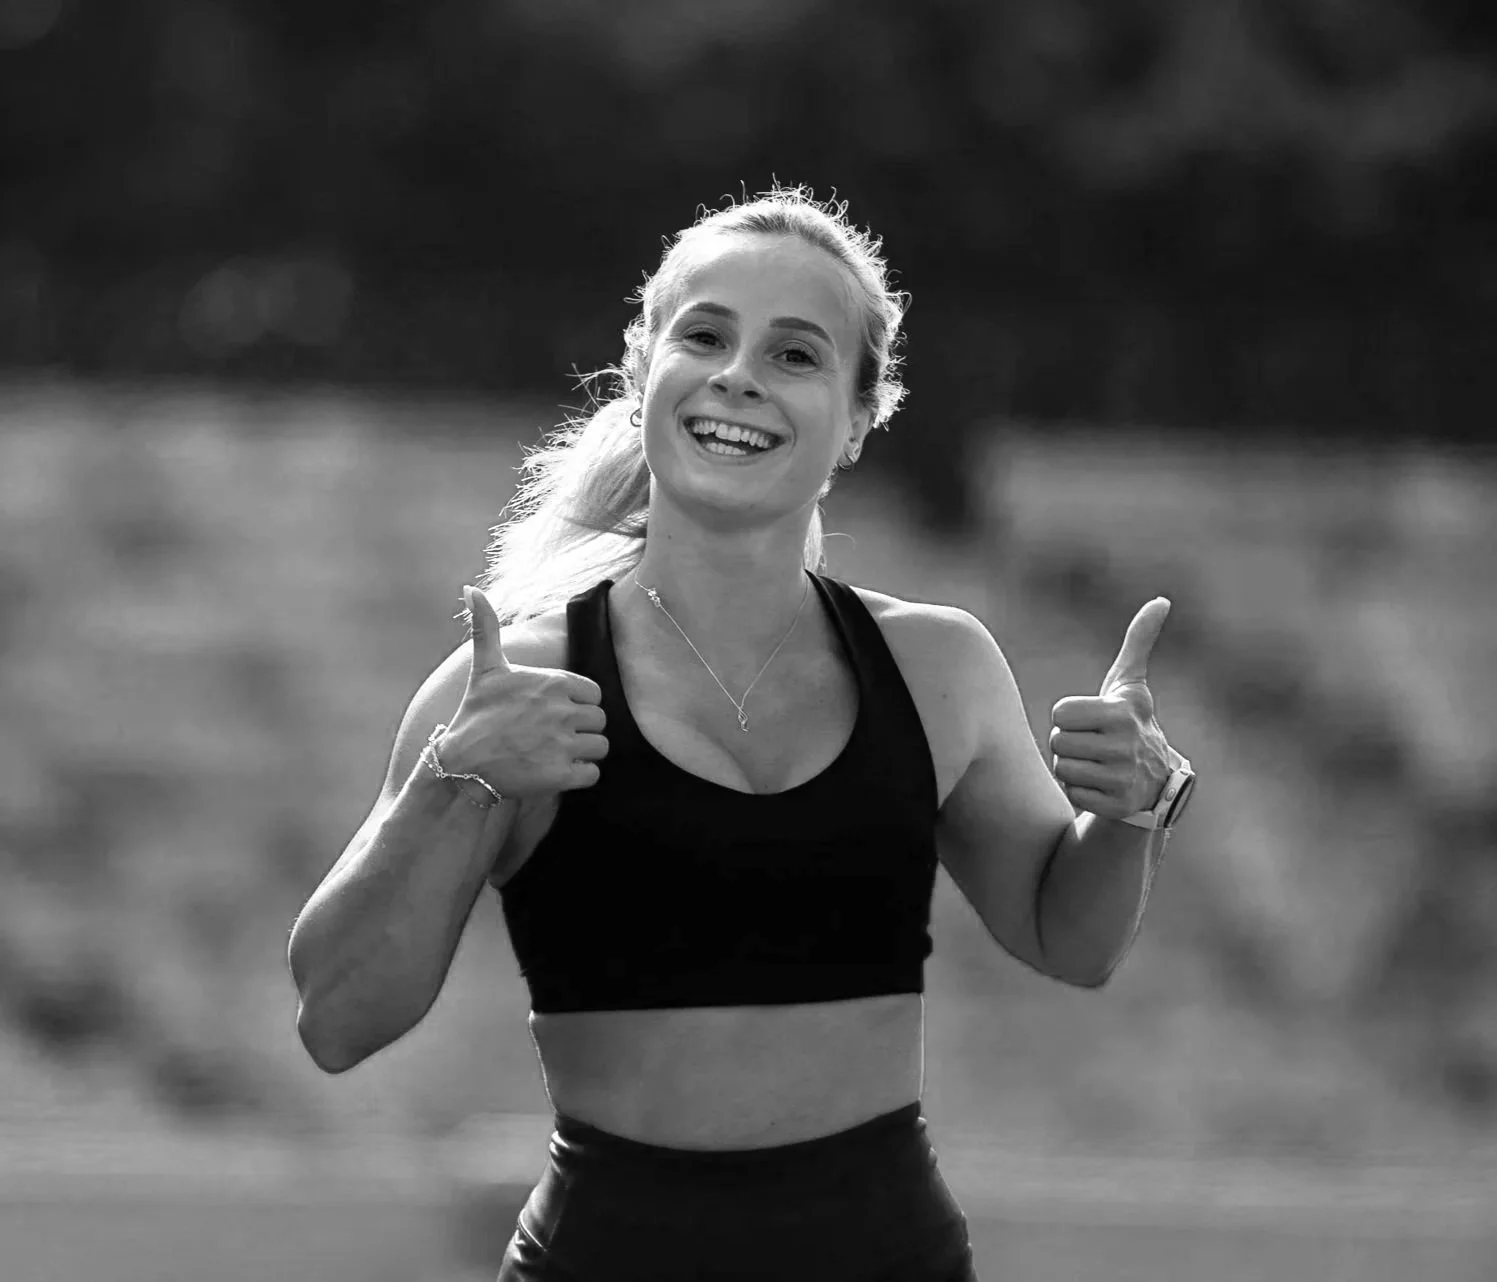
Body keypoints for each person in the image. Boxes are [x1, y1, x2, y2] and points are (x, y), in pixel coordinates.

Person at [286, 185, 1195, 1282]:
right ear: (640, 371)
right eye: (705, 334)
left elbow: (1072, 938)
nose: (739, 375)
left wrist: (1134, 811)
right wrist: (453, 783)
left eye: (797, 354)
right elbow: (336, 1020)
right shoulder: (515, 682)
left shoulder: (939, 669)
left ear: (860, 418)